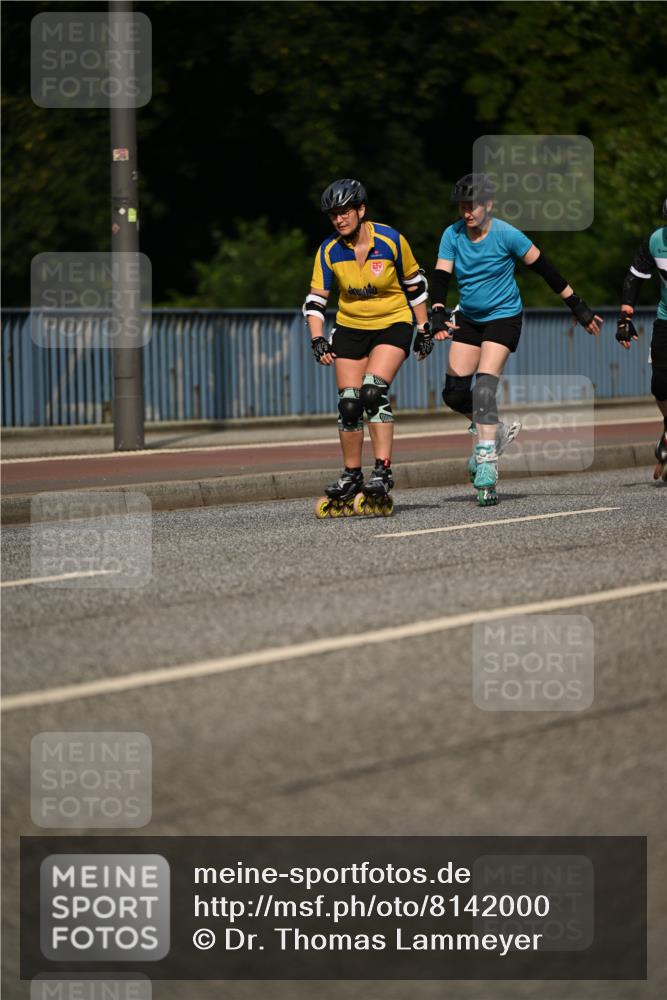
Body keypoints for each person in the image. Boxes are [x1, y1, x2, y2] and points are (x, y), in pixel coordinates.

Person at [430, 173, 603, 505]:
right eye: (463, 206)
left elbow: (545, 268)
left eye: (474, 206)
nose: (467, 212)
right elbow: (440, 275)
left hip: (503, 316)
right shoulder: (451, 235)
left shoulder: (507, 234)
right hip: (469, 316)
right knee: (454, 394)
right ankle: (495, 428)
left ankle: (486, 462)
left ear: (489, 205)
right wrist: (437, 310)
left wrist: (577, 305)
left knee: (483, 388)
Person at [304, 178, 432, 517]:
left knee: (373, 393)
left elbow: (415, 285)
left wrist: (424, 327)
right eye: (333, 215)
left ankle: (382, 470)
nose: (339, 219)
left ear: (361, 210)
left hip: (393, 322)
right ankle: (351, 475)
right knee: (348, 404)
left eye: (345, 212)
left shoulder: (390, 240)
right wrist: (317, 337)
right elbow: (316, 300)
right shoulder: (330, 250)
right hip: (350, 327)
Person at [615, 197, 667, 481]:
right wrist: (625, 317)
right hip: (666, 318)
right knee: (659, 384)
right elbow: (635, 276)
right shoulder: (656, 241)